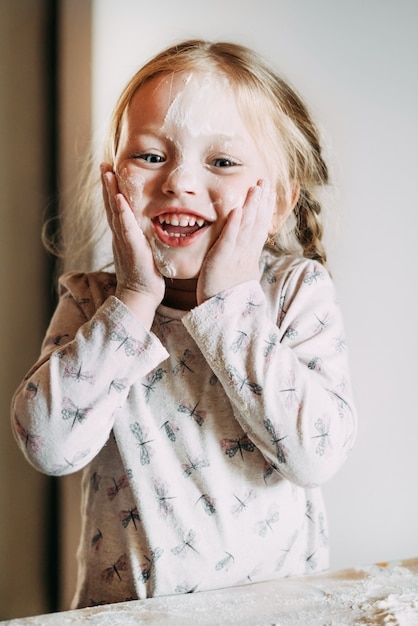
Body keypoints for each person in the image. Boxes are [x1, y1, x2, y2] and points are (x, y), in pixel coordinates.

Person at [11, 39, 357, 608]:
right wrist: (134, 300)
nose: (178, 183)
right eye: (150, 156)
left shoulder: (296, 294)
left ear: (276, 203)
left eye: (221, 162)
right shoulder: (95, 303)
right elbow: (50, 446)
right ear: (113, 180)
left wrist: (230, 303)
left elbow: (315, 455)